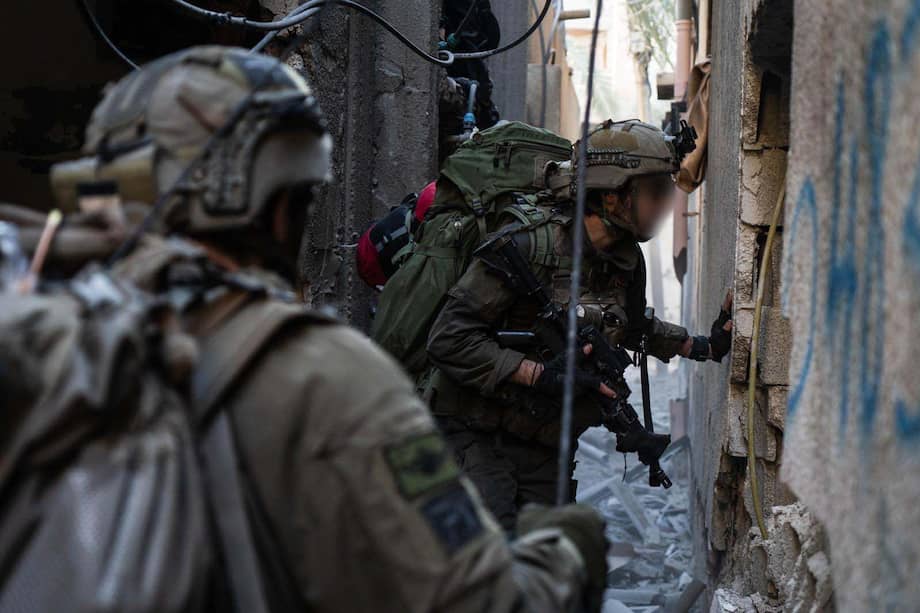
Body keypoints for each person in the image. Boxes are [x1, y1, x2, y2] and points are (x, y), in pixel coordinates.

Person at [66, 45, 608, 613]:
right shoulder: (332, 377)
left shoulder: (39, 329)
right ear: (285, 208)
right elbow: (476, 594)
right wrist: (566, 551)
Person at [426, 119, 733, 530]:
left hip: (547, 449)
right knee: (489, 570)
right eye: (655, 192)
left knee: (544, 574)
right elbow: (449, 338)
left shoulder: (625, 262)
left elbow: (636, 327)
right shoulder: (529, 245)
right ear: (612, 195)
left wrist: (704, 346)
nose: (665, 205)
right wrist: (541, 376)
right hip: (475, 435)